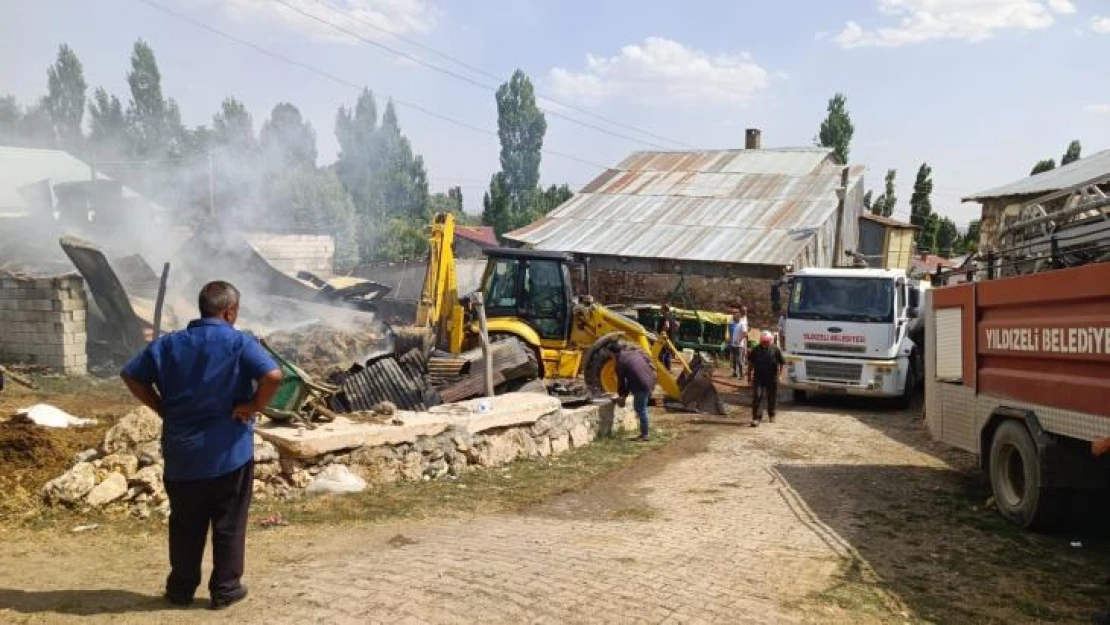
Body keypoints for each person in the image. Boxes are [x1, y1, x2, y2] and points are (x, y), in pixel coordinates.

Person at [120, 281, 282, 610]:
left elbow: (131, 375)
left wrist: (160, 406)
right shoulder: (239, 342)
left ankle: (180, 589)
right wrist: (253, 406)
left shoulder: (169, 345)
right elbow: (273, 376)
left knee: (185, 524)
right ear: (229, 311)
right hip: (229, 452)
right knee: (229, 523)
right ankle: (225, 589)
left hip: (183, 454)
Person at [608, 341, 657, 441]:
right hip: (650, 380)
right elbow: (647, 361)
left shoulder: (620, 363)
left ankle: (645, 435)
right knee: (642, 407)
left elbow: (621, 382)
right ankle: (645, 432)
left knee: (640, 408)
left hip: (641, 384)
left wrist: (621, 397)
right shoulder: (633, 353)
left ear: (612, 353)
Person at [747, 331, 785, 427]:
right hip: (758, 377)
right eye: (763, 341)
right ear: (760, 341)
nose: (765, 343)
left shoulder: (775, 350)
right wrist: (749, 376)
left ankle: (771, 414)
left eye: (767, 341)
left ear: (770, 341)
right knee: (757, 397)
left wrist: (780, 375)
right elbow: (750, 364)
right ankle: (756, 418)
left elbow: (781, 363)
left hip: (771, 378)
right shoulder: (755, 350)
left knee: (771, 397)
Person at [726, 307, 750, 378]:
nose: (734, 316)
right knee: (733, 359)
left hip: (739, 345)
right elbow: (730, 332)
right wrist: (729, 341)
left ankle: (741, 374)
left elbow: (745, 334)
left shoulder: (742, 324)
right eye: (733, 314)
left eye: (735, 315)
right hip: (732, 344)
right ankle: (735, 373)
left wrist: (739, 340)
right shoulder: (731, 323)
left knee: (739, 360)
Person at [658, 303, 679, 371]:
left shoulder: (665, 316)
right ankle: (668, 370)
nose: (660, 310)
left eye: (661, 309)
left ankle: (662, 370)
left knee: (662, 354)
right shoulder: (671, 316)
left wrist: (662, 333)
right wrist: (673, 332)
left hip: (665, 339)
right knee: (668, 354)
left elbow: (667, 326)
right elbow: (677, 324)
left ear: (664, 309)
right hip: (672, 338)